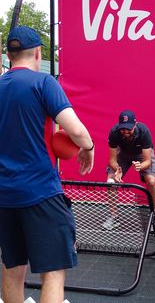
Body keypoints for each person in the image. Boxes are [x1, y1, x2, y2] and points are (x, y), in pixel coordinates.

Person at [0, 26, 94, 303]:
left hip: (4, 196)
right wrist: (88, 147)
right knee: (53, 271)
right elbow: (76, 132)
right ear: (39, 52)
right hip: (41, 192)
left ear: (9, 54)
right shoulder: (43, 83)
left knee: (11, 268)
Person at [103, 110, 155, 230]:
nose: (125, 132)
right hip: (122, 154)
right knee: (111, 183)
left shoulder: (144, 131)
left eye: (129, 129)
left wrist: (140, 166)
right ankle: (114, 218)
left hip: (141, 155)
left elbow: (147, 161)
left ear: (134, 124)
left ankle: (154, 217)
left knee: (151, 181)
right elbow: (112, 160)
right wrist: (117, 169)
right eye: (123, 129)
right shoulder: (114, 132)